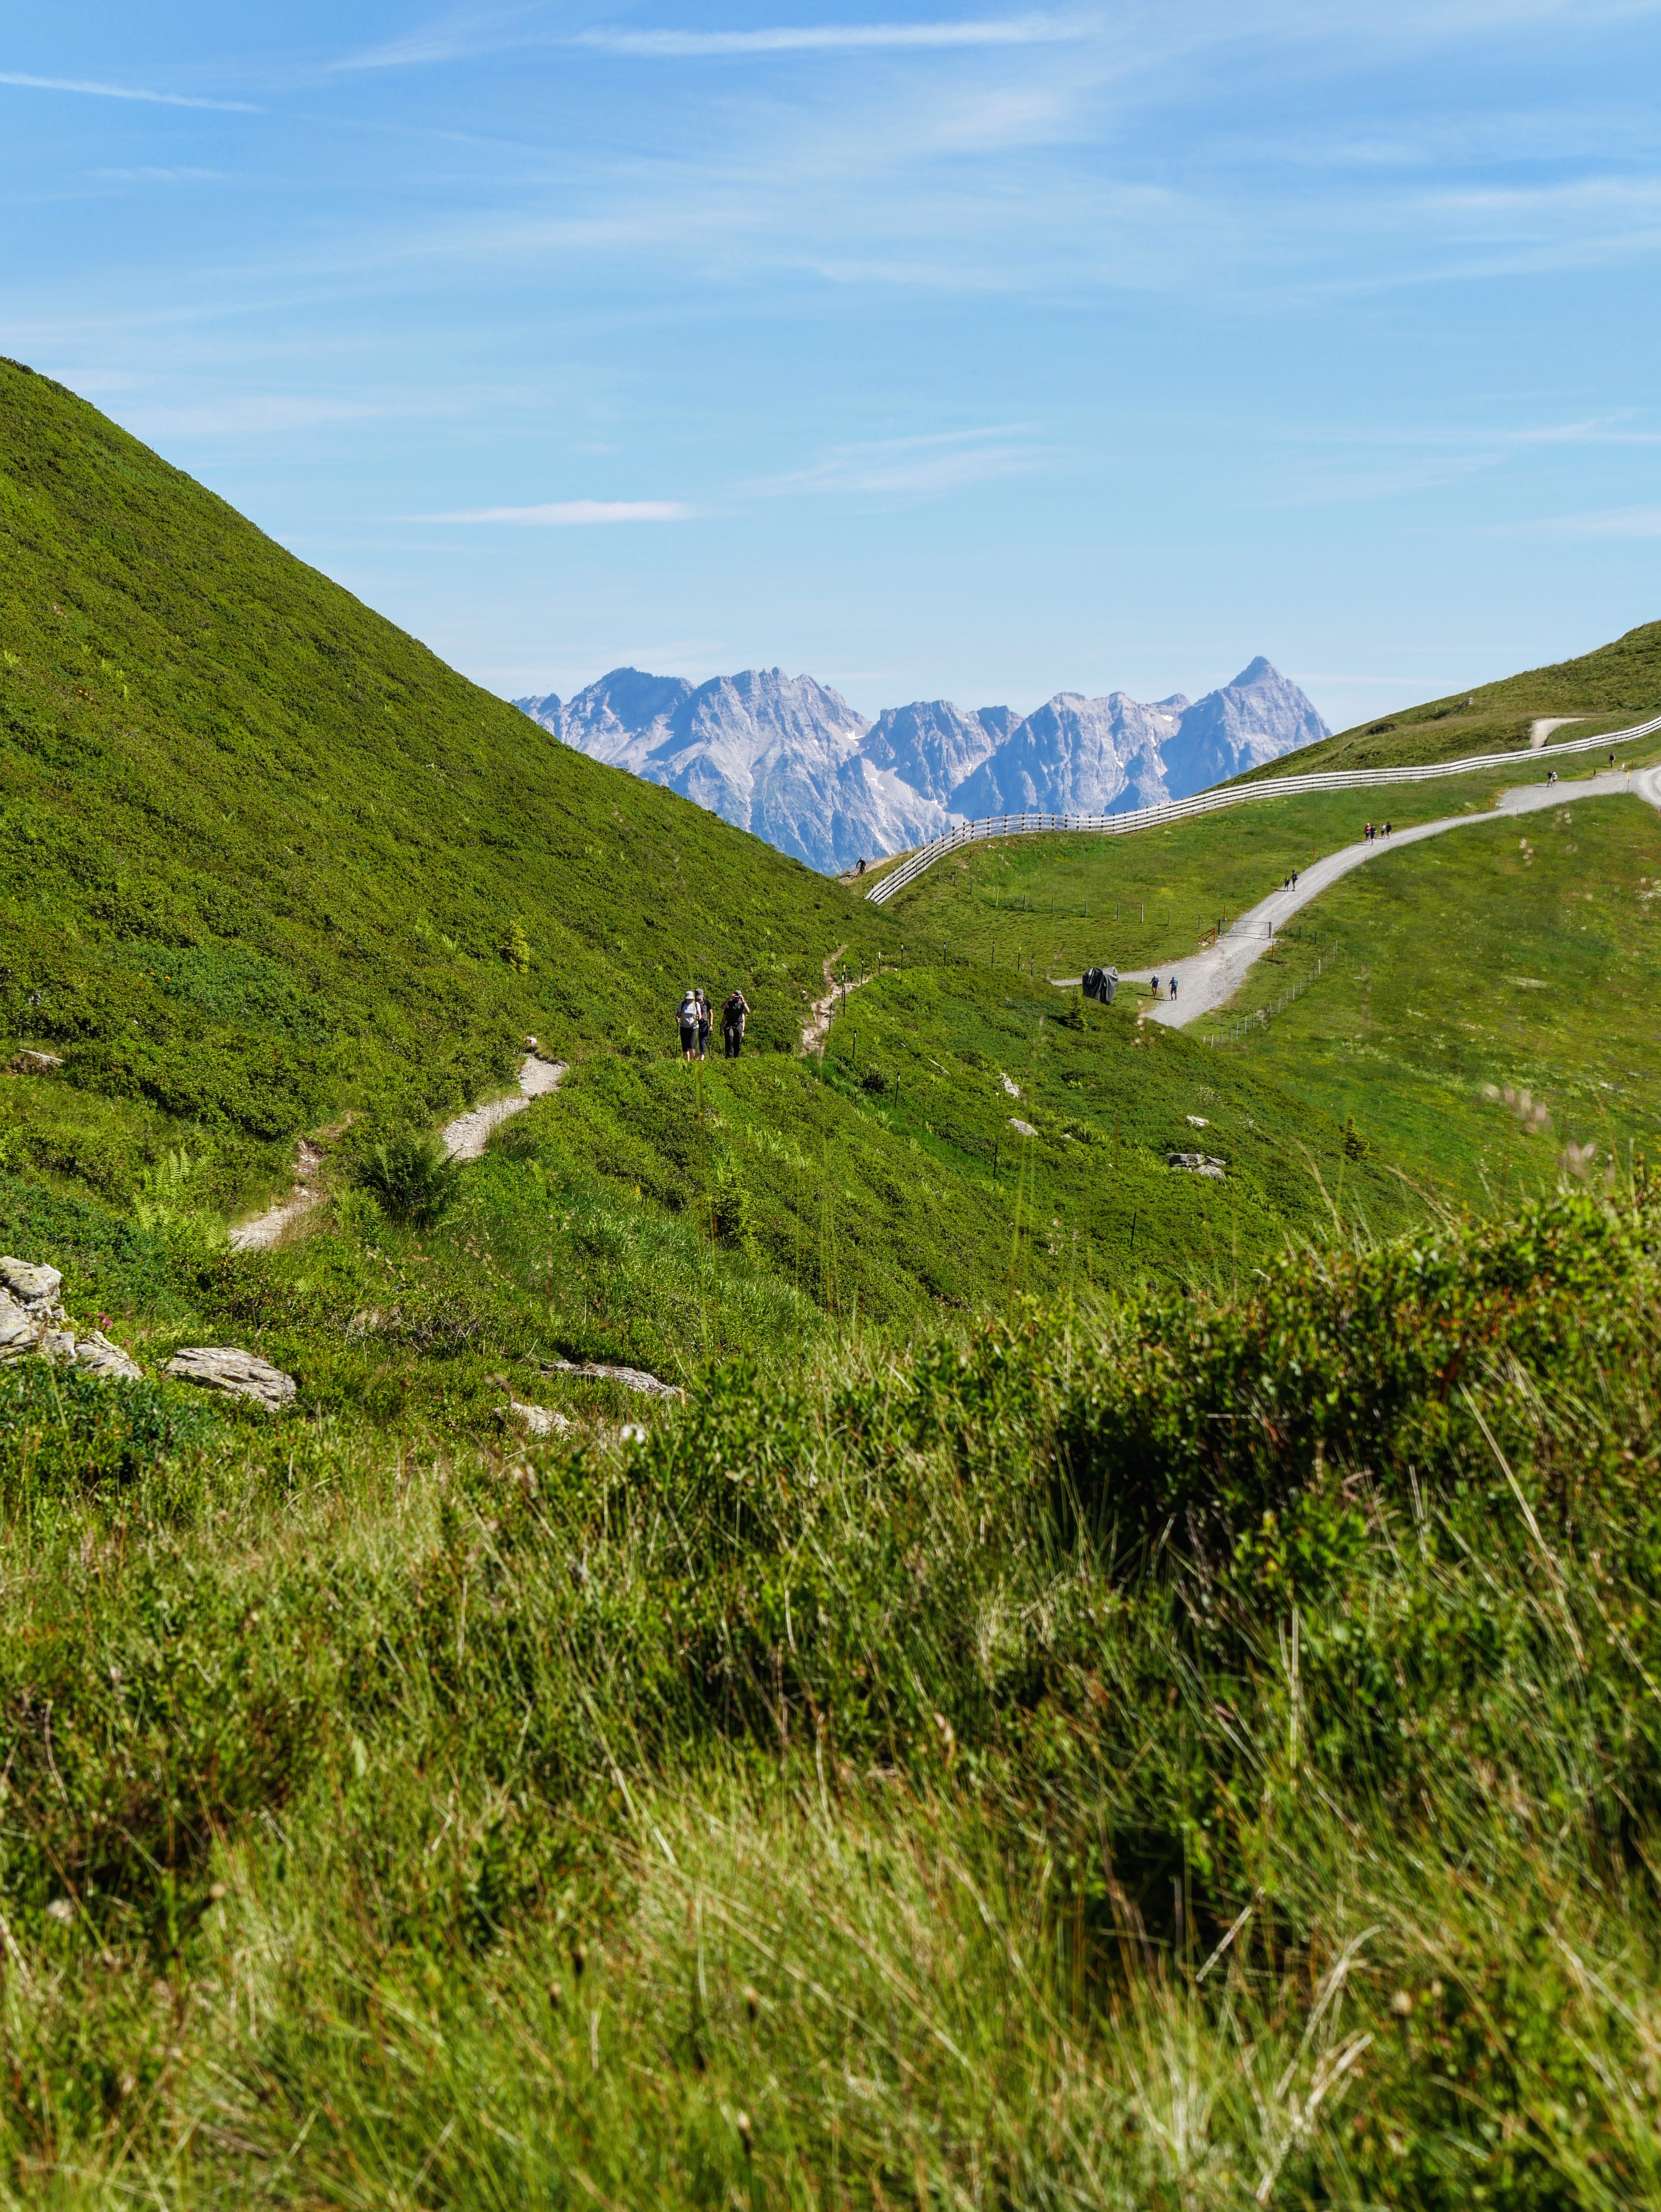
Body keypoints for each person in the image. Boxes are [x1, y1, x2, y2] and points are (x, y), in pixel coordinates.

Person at [722, 987, 750, 1058]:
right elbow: (722, 1008)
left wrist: (743, 1000)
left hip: (738, 1025)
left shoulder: (742, 1003)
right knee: (730, 1040)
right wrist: (729, 999)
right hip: (730, 1024)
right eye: (736, 997)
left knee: (738, 1043)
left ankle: (737, 1059)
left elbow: (748, 1011)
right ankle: (729, 1058)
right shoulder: (730, 1003)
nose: (737, 999)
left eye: (738, 997)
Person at [677, 988, 700, 1061]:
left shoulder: (696, 1005)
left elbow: (700, 1015)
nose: (689, 1001)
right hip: (684, 1027)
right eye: (688, 999)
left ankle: (692, 1061)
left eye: (691, 999)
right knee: (685, 1046)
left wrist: (698, 1017)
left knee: (691, 1045)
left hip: (693, 1027)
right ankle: (687, 1062)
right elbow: (679, 1015)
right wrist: (677, 1018)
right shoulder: (682, 1004)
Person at [696, 988, 712, 1061]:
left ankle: (702, 1059)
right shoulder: (693, 1003)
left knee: (702, 1042)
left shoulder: (707, 1002)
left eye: (700, 997)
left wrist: (711, 1025)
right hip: (695, 1024)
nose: (699, 999)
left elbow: (711, 1013)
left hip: (704, 1024)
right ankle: (695, 1057)